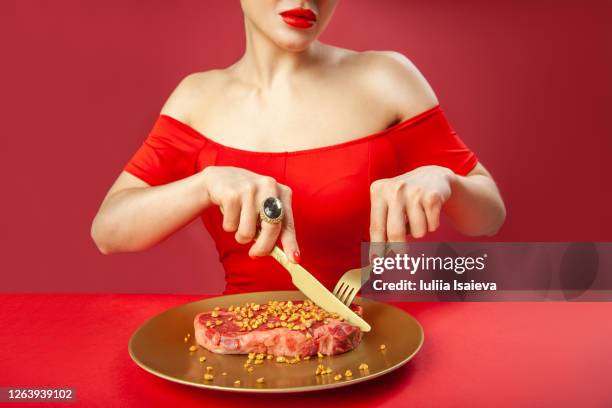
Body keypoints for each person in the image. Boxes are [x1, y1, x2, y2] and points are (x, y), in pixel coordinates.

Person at [91, 0, 506, 294]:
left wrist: (445, 179)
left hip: (372, 346)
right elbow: (108, 231)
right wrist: (205, 184)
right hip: (242, 358)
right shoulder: (198, 97)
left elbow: (489, 215)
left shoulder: (387, 79)